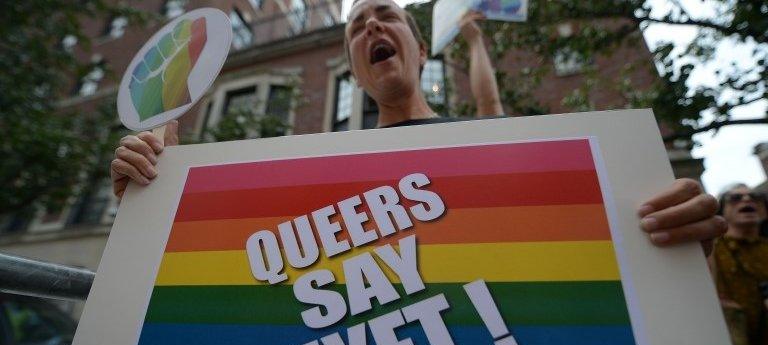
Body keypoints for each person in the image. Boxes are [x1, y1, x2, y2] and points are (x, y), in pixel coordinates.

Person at [111, 0, 725, 249]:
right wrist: (158, 185)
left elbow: (492, 113)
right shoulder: (320, 176)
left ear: (421, 49)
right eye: (357, 27)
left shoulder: (486, 142)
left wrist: (660, 231)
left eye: (387, 17)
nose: (372, 28)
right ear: (353, 65)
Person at [710, 184, 768, 345]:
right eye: (735, 198)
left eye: (755, 196)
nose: (747, 200)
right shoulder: (711, 250)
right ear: (722, 212)